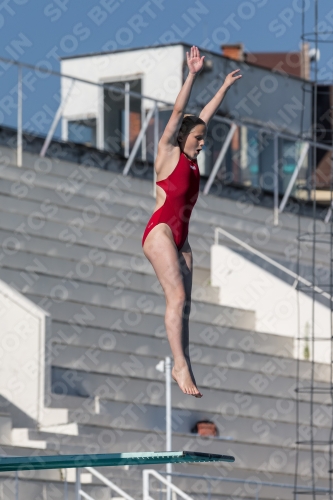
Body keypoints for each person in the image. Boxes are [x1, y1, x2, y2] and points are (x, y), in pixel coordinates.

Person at [142, 46, 242, 397]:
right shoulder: (168, 153)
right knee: (178, 296)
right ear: (183, 138)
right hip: (161, 232)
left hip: (182, 238)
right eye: (198, 139)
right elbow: (181, 112)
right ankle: (179, 365)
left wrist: (224, 87)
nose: (202, 143)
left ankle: (184, 361)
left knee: (185, 307)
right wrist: (193, 74)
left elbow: (203, 116)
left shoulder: (193, 158)